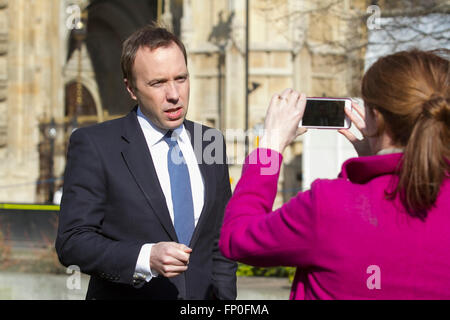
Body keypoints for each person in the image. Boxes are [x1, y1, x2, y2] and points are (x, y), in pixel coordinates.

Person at [219, 49, 450, 299]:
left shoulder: (329, 205)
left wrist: (270, 147)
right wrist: (374, 162)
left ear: (375, 117)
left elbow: (237, 238)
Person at [56, 24, 237, 300]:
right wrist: (146, 258)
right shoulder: (96, 145)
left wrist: (224, 298)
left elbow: (221, 240)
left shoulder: (209, 141)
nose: (174, 94)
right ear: (131, 88)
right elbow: (72, 242)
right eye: (158, 83)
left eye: (181, 78)